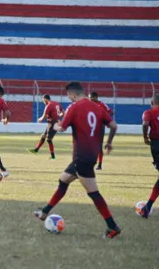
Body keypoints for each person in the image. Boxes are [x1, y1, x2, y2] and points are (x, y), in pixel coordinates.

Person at [34, 82, 121, 239]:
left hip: (82, 157)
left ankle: (112, 226)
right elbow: (113, 126)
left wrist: (54, 126)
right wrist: (109, 142)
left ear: (73, 94)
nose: (69, 99)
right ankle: (44, 212)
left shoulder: (74, 107)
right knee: (63, 180)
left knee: (94, 193)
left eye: (69, 96)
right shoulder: (98, 107)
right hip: (90, 155)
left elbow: (61, 128)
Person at [27, 94, 64, 159]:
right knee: (43, 136)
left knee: (49, 139)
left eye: (43, 100)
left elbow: (44, 116)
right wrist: (59, 116)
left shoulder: (48, 105)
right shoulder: (57, 103)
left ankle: (53, 156)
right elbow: (63, 112)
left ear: (45, 99)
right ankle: (36, 150)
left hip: (53, 124)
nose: (43, 101)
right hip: (53, 123)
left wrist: (40, 119)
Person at [88, 92, 114, 170]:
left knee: (99, 147)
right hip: (89, 128)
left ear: (96, 97)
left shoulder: (102, 104)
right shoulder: (88, 105)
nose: (90, 99)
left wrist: (104, 118)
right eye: (89, 98)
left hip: (99, 128)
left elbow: (111, 112)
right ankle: (89, 163)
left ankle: (99, 164)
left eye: (91, 98)